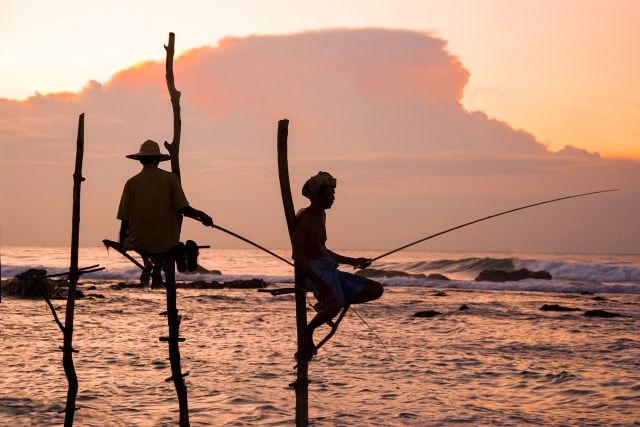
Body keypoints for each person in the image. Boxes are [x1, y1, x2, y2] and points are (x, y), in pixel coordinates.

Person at [292, 171, 384, 355]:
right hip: (313, 271)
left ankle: (328, 305)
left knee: (376, 290)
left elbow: (322, 249)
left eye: (333, 194)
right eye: (329, 194)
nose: (333, 198)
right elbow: (298, 256)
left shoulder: (321, 216)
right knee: (334, 305)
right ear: (316, 196)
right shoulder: (306, 218)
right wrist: (319, 284)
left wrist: (353, 262)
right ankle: (309, 331)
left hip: (328, 268)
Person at [117, 140, 213, 284]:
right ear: (157, 159)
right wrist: (202, 215)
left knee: (141, 245)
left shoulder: (131, 183)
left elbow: (124, 219)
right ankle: (179, 255)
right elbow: (182, 208)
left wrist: (122, 243)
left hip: (140, 241)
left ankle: (152, 262)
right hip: (166, 242)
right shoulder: (170, 179)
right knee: (170, 247)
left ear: (141, 160)